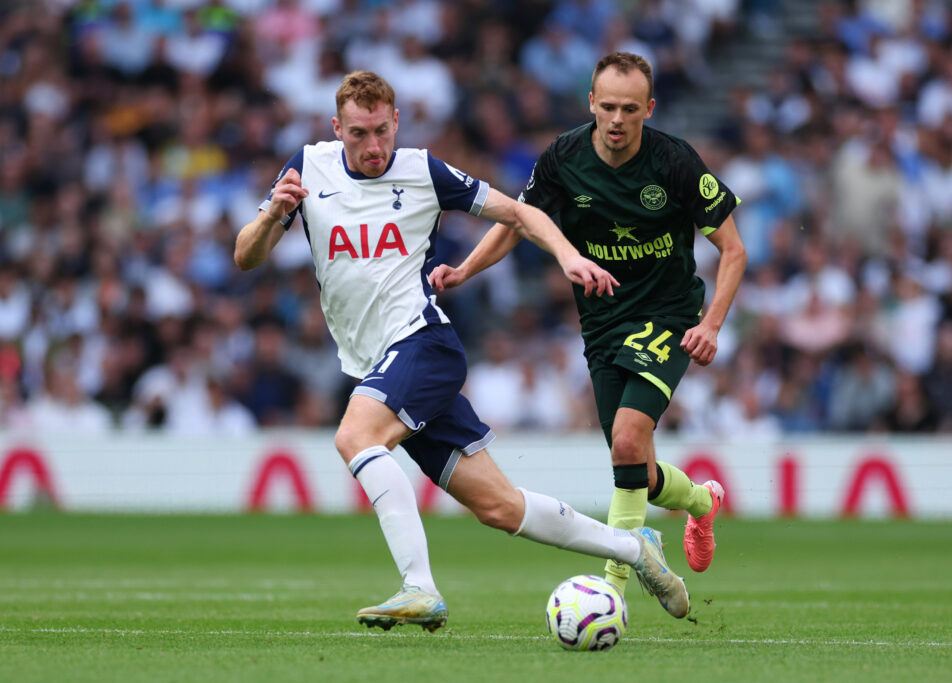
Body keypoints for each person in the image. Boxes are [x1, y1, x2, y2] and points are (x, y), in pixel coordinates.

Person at [234, 69, 692, 632]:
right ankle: (633, 548)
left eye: (382, 131)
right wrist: (272, 214)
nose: (373, 146)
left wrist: (568, 255)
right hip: (378, 363)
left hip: (421, 343)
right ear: (336, 128)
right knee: (500, 506)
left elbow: (519, 212)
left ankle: (419, 587)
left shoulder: (422, 171)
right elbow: (246, 256)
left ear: (396, 121)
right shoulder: (307, 168)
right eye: (358, 134)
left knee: (355, 436)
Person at [430, 53, 747, 595]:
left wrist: (711, 325)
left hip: (667, 317)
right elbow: (517, 222)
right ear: (592, 103)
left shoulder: (675, 162)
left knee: (626, 441)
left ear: (649, 108)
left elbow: (734, 250)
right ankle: (701, 500)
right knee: (636, 467)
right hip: (601, 324)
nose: (618, 119)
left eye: (631, 108)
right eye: (609, 107)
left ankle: (612, 590)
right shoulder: (564, 157)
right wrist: (464, 270)